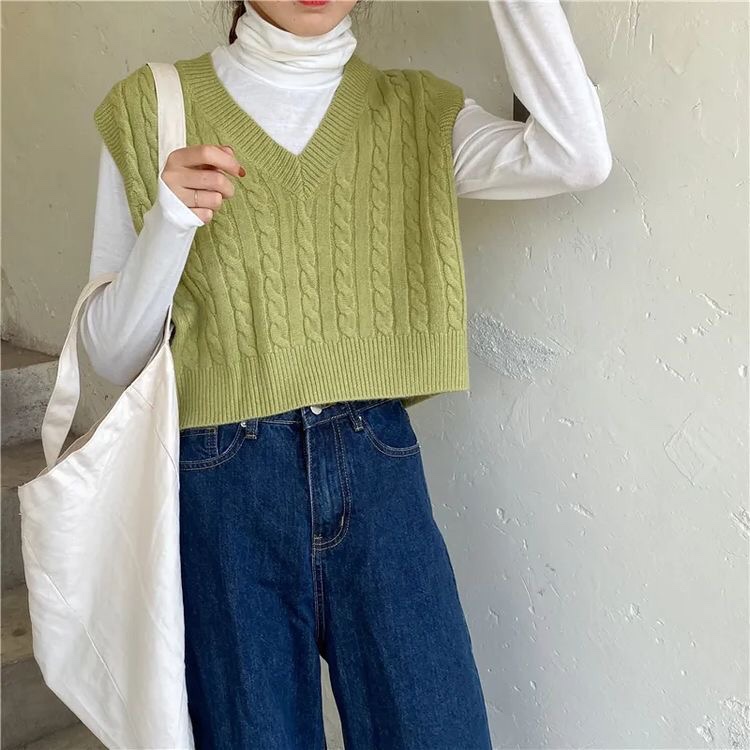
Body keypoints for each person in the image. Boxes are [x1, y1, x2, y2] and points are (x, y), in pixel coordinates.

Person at [82, 0, 611, 747]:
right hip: (224, 488)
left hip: (378, 466)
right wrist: (170, 222)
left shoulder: (416, 112)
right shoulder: (153, 107)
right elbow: (111, 356)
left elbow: (577, 154)